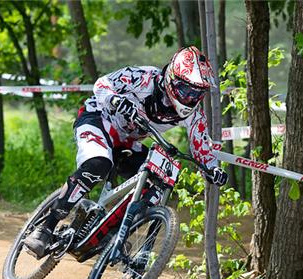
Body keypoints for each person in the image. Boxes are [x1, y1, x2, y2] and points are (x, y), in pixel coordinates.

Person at [24, 46, 228, 257]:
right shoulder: (143, 77)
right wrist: (114, 99)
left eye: (197, 93)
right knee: (98, 163)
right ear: (171, 79)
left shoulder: (194, 115)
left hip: (128, 142)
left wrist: (212, 169)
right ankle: (45, 229)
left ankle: (111, 233)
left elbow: (202, 148)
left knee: (155, 186)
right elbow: (102, 84)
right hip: (98, 120)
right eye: (186, 90)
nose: (190, 98)